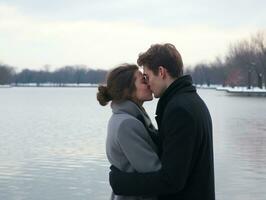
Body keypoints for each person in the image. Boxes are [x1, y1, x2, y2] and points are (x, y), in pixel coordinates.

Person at [109, 44, 215, 200]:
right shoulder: (189, 101)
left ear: (161, 72)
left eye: (147, 76)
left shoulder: (180, 110)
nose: (148, 83)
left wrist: (120, 183)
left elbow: (171, 180)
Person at [97, 64, 161, 200]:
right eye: (143, 80)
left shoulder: (126, 118)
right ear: (127, 91)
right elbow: (154, 170)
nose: (149, 82)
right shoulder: (127, 124)